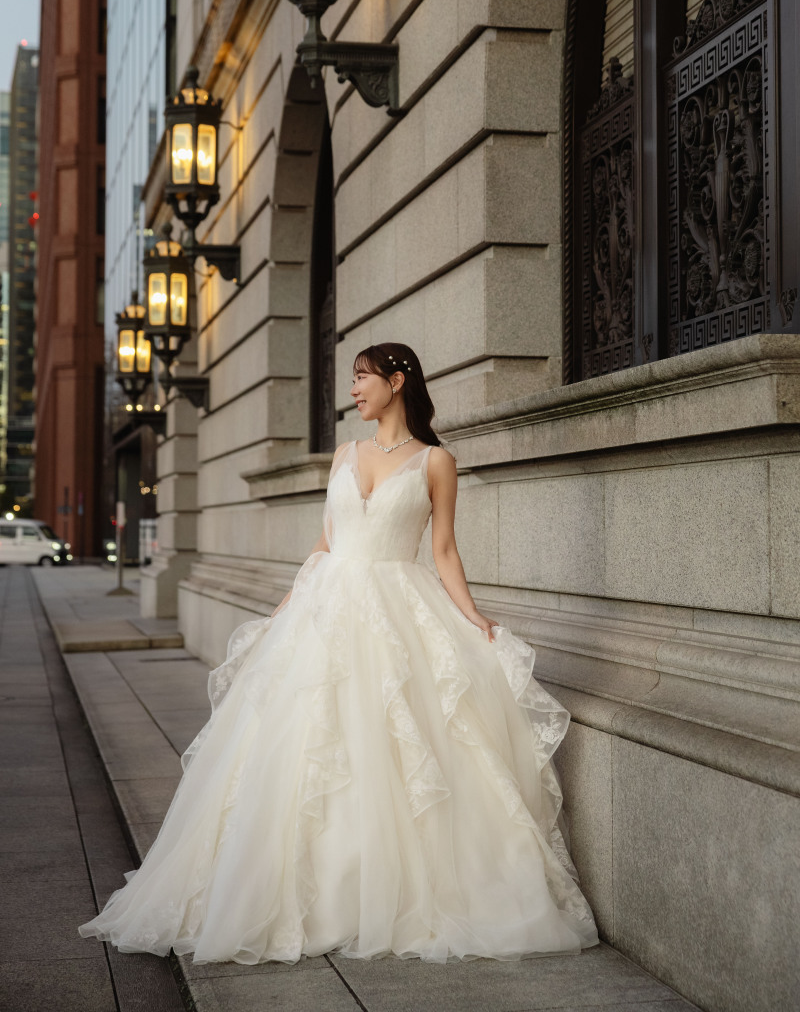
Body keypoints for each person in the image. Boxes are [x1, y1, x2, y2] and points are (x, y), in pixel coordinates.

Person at [80, 342, 598, 963]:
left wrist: (474, 617)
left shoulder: (436, 461)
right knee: (306, 743)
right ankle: (301, 891)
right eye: (352, 380)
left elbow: (444, 553)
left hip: (398, 609)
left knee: (400, 741)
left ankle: (403, 895)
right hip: (327, 609)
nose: (353, 390)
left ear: (397, 381)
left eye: (363, 379)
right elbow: (326, 541)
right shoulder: (345, 455)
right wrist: (282, 612)